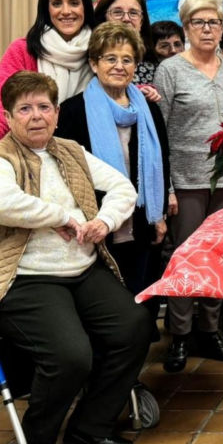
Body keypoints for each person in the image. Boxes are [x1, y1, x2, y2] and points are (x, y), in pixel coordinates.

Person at [0, 72, 148, 444]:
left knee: (134, 326)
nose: (36, 117)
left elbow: (122, 188)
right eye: (25, 109)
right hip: (23, 275)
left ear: (56, 113)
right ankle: (38, 440)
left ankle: (90, 425)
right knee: (69, 355)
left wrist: (105, 220)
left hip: (81, 267)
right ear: (10, 118)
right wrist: (59, 215)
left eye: (44, 107)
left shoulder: (70, 150)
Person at [55, 23, 170, 331]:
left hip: (143, 222)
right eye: (110, 58)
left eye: (127, 59)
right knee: (105, 308)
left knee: (141, 299)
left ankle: (132, 374)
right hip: (96, 225)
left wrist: (158, 216)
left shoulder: (150, 109)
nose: (119, 66)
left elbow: (162, 162)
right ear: (94, 63)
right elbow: (63, 173)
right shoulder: (71, 112)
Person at [153, 0, 223, 372]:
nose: (207, 29)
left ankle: (210, 330)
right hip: (186, 181)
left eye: (213, 22)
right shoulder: (170, 70)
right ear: (186, 27)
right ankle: (179, 335)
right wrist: (168, 188)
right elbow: (157, 133)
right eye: (198, 22)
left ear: (222, 28)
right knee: (185, 258)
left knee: (219, 257)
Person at [0, 0, 97, 171]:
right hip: (33, 154)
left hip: (89, 152)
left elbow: (114, 80)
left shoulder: (98, 48)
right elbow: (0, 99)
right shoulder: (23, 49)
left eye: (74, 2)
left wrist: (141, 89)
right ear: (46, 9)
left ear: (85, 8)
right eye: (56, 3)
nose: (66, 11)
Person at [93, 0, 156, 87]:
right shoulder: (89, 60)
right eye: (117, 12)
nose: (126, 18)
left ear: (141, 22)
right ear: (103, 18)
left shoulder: (154, 65)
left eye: (133, 13)